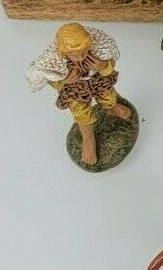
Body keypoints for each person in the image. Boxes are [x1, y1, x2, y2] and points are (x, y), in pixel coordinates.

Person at [26, 23, 133, 168]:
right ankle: (88, 139)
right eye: (75, 55)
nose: (81, 57)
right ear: (64, 52)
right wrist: (64, 80)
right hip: (76, 89)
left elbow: (110, 63)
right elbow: (50, 79)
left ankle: (112, 107)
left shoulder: (96, 50)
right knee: (81, 112)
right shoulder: (56, 62)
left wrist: (102, 66)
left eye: (84, 52)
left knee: (108, 95)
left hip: (97, 80)